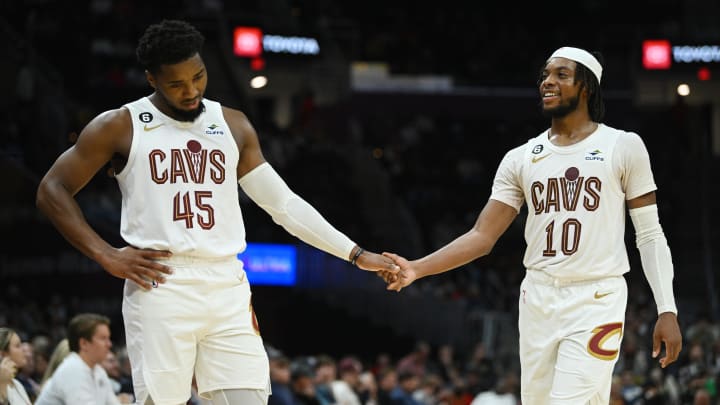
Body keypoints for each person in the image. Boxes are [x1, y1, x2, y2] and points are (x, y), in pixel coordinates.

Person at [35, 19, 399, 405]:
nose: (191, 91)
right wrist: (104, 253)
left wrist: (356, 255)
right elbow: (51, 189)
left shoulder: (233, 124)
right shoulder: (120, 125)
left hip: (227, 283)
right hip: (162, 283)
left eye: (198, 76)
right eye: (177, 84)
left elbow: (284, 204)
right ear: (151, 79)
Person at [381, 46, 683, 404]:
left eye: (560, 75)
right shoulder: (521, 157)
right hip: (537, 298)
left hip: (596, 297)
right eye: (545, 75)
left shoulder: (623, 146)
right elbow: (482, 235)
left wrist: (667, 308)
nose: (547, 82)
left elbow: (649, 234)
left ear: (586, 87)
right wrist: (417, 268)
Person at [34, 313, 120, 404]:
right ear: (84, 343)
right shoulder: (72, 369)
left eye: (108, 338)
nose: (109, 344)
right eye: (103, 338)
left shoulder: (98, 370)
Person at [0, 328, 32, 405]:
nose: (23, 349)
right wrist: (2, 384)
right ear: (3, 354)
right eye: (18, 346)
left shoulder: (17, 384)